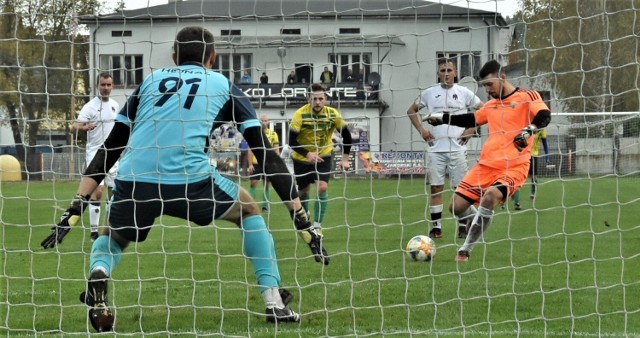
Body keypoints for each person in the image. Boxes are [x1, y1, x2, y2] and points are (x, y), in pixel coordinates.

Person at [40, 26, 330, 332]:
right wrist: (300, 217)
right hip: (190, 181)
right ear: (213, 57)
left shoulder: (149, 82)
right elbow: (266, 155)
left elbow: (111, 147)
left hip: (135, 179)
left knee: (112, 235)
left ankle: (99, 272)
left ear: (174, 56)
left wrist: (77, 204)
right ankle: (274, 302)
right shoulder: (224, 85)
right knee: (249, 210)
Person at [424, 60, 551, 262]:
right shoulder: (491, 106)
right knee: (455, 207)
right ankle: (480, 220)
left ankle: (465, 249)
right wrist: (442, 117)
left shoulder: (528, 96)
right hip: (486, 165)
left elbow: (544, 115)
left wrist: (528, 131)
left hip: (514, 166)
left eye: (489, 84)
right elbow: (470, 119)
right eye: (484, 86)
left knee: (491, 196)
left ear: (502, 77)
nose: (487, 90)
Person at [406, 58, 483, 240]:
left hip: (457, 149)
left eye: (449, 70)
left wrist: (470, 131)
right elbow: (411, 110)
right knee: (436, 188)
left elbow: (483, 110)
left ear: (455, 73)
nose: (446, 74)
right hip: (435, 149)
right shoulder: (429, 93)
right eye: (443, 70)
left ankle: (463, 227)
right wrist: (422, 131)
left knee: (461, 190)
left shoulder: (464, 92)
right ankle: (436, 228)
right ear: (438, 73)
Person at [289, 83, 352, 237]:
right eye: (314, 99)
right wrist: (307, 154)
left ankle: (317, 226)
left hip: (323, 156)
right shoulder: (299, 114)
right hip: (301, 159)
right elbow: (291, 141)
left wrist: (345, 159)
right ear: (309, 99)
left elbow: (347, 135)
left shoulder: (332, 114)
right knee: (303, 192)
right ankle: (305, 215)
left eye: (320, 99)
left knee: (322, 187)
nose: (317, 102)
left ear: (325, 99)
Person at [72, 72, 120, 242]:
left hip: (113, 154)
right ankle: (93, 233)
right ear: (97, 86)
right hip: (95, 153)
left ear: (112, 86)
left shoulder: (115, 105)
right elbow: (74, 126)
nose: (106, 88)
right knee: (97, 192)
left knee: (113, 194)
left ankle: (108, 230)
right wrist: (84, 128)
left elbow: (118, 129)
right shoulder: (90, 106)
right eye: (103, 85)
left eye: (109, 85)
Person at [504, 128, 550, 210]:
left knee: (534, 177)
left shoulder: (542, 129)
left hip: (534, 156)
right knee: (517, 177)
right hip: (522, 155)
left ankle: (533, 194)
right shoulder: (524, 127)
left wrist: (547, 156)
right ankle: (515, 201)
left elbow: (545, 143)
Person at [248, 115, 280, 213]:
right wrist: (250, 164)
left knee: (266, 185)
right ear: (259, 122)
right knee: (253, 184)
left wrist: (276, 163)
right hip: (256, 162)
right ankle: (251, 205)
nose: (264, 122)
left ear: (268, 122)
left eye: (266, 120)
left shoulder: (273, 134)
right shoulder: (255, 134)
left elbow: (276, 149)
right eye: (262, 121)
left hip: (268, 163)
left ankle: (265, 206)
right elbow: (250, 149)